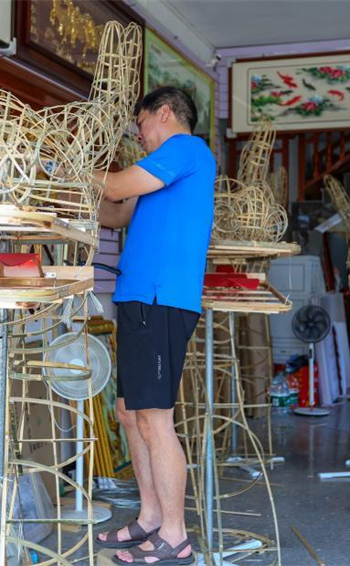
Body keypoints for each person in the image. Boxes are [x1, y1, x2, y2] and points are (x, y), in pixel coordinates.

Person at [94, 86, 215, 565]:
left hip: (161, 299)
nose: (140, 137)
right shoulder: (161, 172)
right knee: (129, 412)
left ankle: (175, 534)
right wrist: (69, 187)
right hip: (138, 298)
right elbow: (116, 209)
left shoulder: (185, 148)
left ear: (164, 113)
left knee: (155, 420)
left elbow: (118, 186)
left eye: (141, 125)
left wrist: (73, 165)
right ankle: (148, 518)